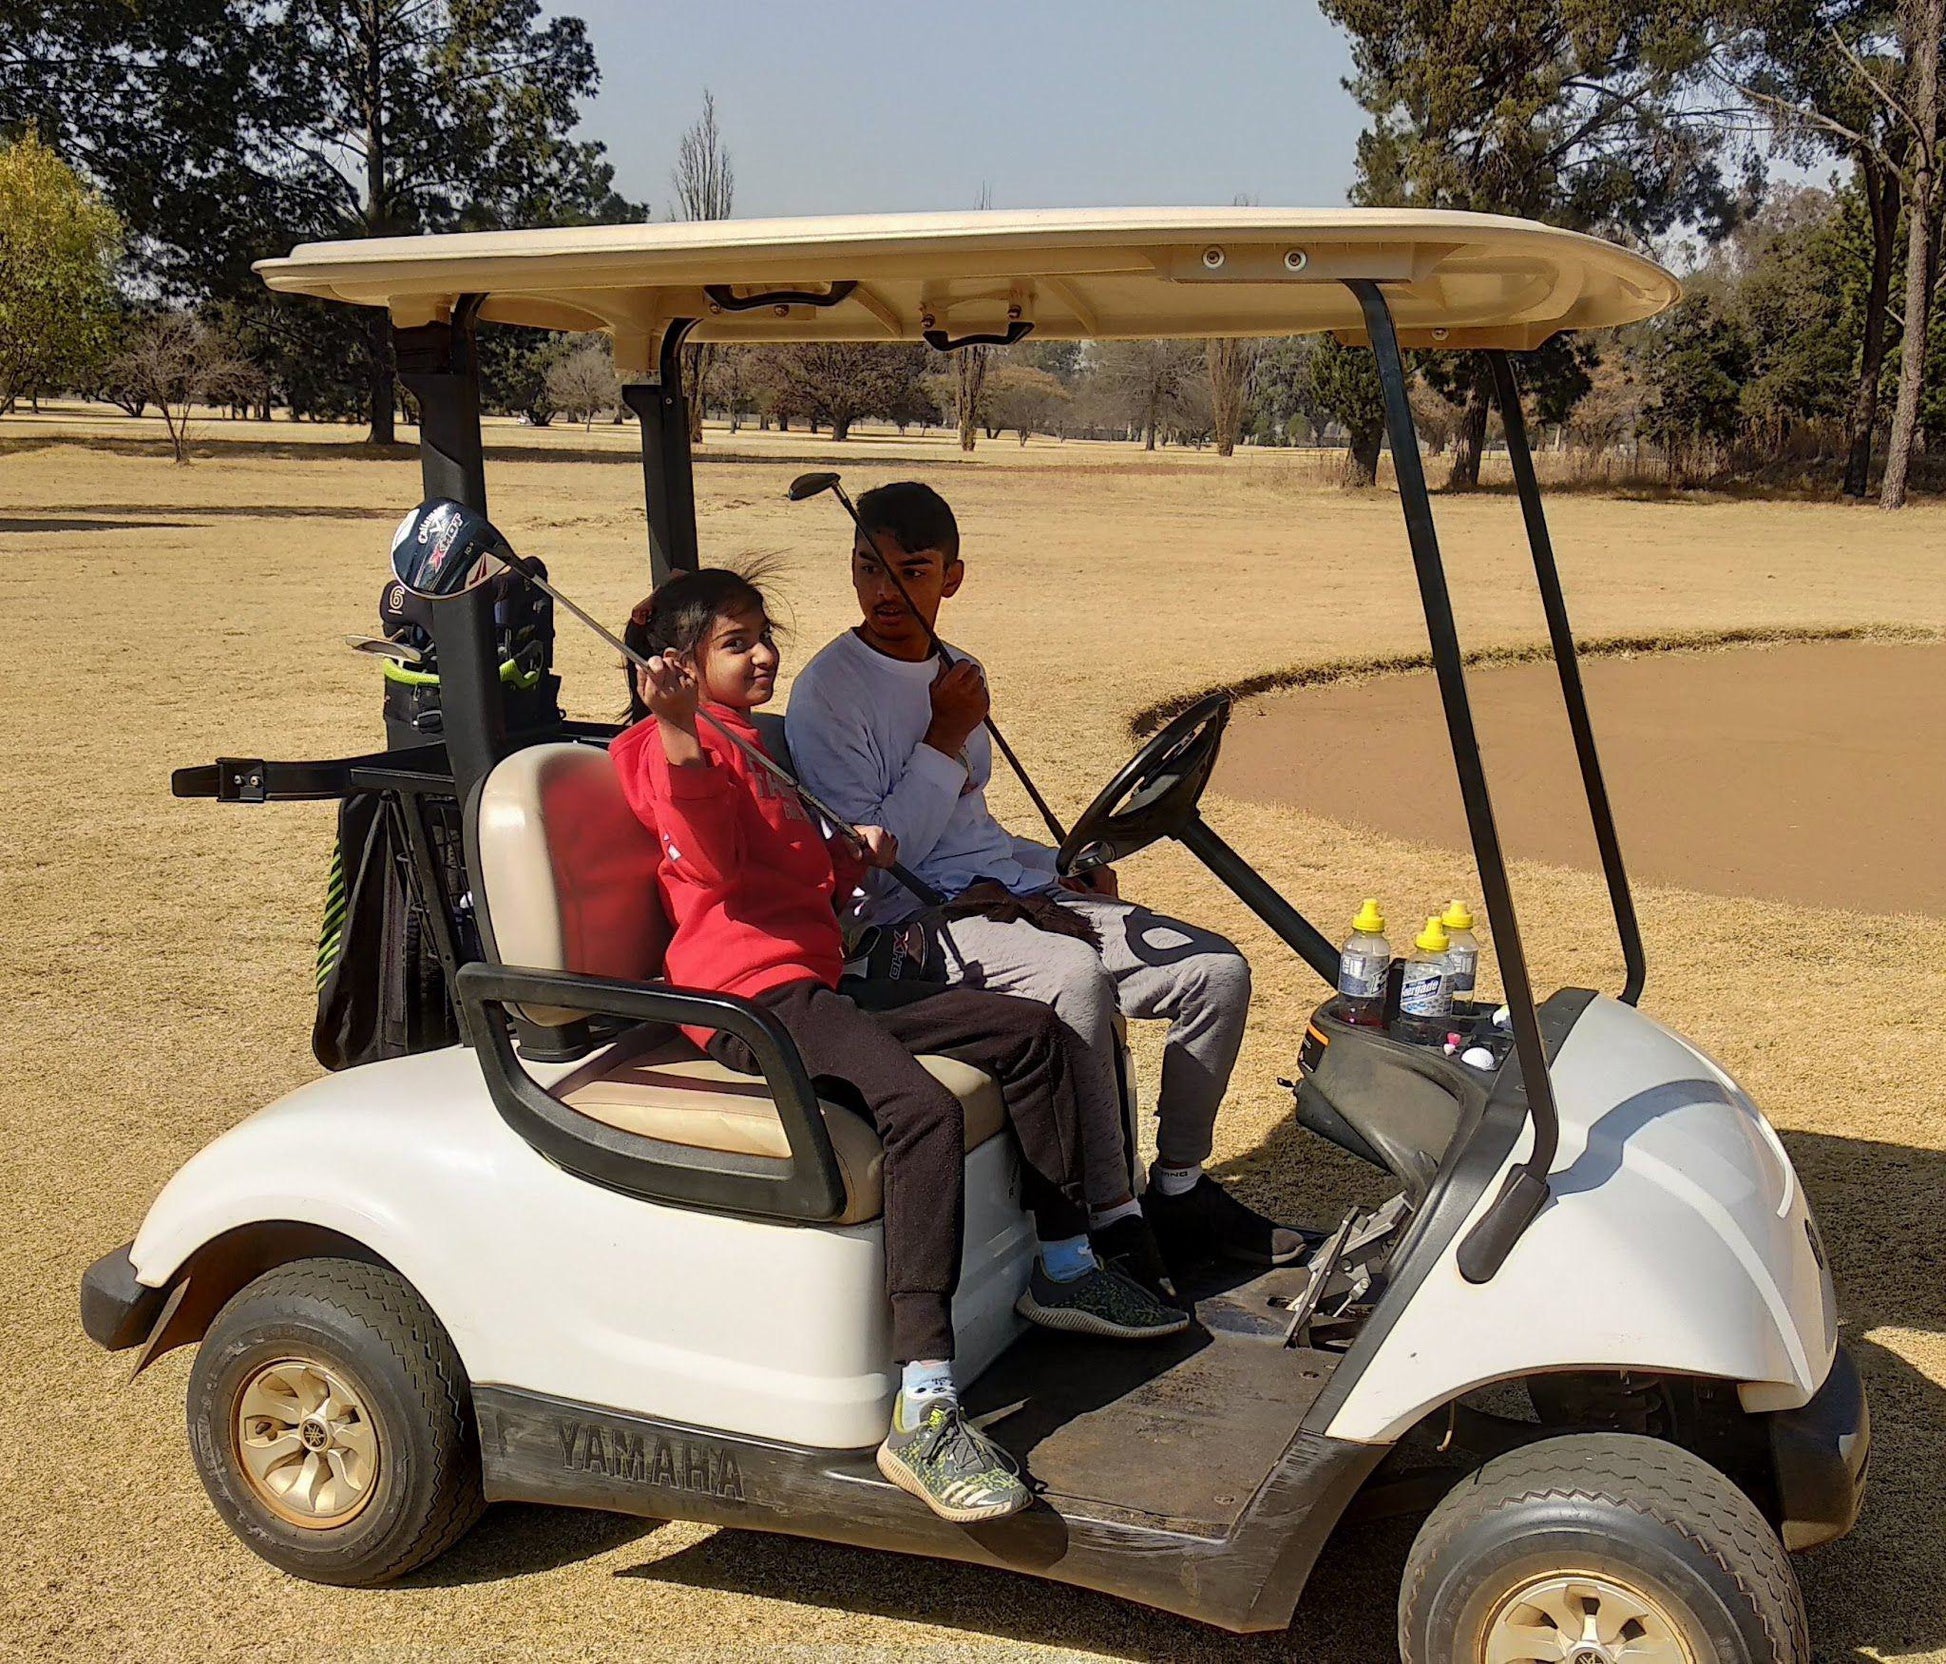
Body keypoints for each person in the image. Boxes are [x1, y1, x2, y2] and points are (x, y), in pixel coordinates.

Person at [610, 566, 1186, 1527]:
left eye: (763, 634)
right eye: (736, 643)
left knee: (1031, 1031)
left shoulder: (761, 741)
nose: (762, 654)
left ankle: (1068, 1265)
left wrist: (851, 852)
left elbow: (787, 866)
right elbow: (709, 860)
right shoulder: (661, 750)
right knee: (917, 1106)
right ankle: (923, 1403)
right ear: (677, 667)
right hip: (751, 1001)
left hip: (820, 980)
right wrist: (674, 727)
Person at [785, 483, 1310, 1293]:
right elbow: (880, 857)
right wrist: (943, 737)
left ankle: (1177, 1190)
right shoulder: (830, 691)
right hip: (904, 923)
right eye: (867, 568)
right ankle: (1111, 1221)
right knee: (1075, 977)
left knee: (1217, 973)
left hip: (1003, 889)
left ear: (951, 578)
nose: (885, 592)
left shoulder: (959, 672)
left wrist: (1054, 866)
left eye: (910, 571)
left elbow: (972, 828)